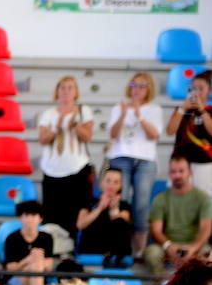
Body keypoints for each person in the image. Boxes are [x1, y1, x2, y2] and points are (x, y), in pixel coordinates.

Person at [107, 72, 163, 252]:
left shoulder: (154, 109)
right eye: (134, 85)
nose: (137, 90)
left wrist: (139, 116)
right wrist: (124, 115)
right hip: (120, 157)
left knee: (141, 205)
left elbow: (154, 135)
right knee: (119, 202)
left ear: (149, 90)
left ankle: (138, 251)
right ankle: (119, 246)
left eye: (142, 86)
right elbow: (113, 135)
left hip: (145, 161)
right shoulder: (119, 107)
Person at [38, 76, 96, 237]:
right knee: (51, 211)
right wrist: (56, 128)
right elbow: (43, 139)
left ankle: (71, 247)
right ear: (57, 91)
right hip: (52, 170)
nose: (66, 91)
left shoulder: (84, 111)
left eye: (70, 88)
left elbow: (87, 136)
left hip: (77, 168)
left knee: (75, 210)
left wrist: (75, 125)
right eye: (62, 87)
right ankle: (52, 246)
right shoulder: (48, 114)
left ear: (76, 92)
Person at [143, 152, 212, 278]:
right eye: (173, 171)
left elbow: (206, 228)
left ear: (190, 172)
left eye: (181, 171)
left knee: (208, 255)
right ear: (169, 174)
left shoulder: (203, 198)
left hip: (195, 245)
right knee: (152, 253)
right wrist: (168, 246)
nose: (177, 175)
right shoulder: (161, 198)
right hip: (169, 245)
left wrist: (193, 248)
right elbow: (156, 230)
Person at [165, 69, 211, 195]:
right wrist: (182, 110)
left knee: (204, 200)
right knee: (177, 200)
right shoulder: (180, 110)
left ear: (209, 91)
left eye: (201, 88)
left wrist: (202, 111)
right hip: (179, 163)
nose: (197, 92)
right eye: (193, 88)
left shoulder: (210, 111)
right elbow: (170, 131)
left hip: (204, 163)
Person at [3, 201, 56, 285]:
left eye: (33, 215)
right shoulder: (12, 238)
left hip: (40, 282)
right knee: (33, 264)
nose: (30, 219)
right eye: (26, 215)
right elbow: (9, 268)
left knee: (36, 264)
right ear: (20, 218)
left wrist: (37, 261)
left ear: (40, 219)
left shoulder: (46, 238)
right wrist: (27, 260)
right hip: (17, 282)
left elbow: (50, 265)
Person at [77, 167, 136, 264]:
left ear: (120, 186)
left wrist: (114, 209)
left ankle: (114, 258)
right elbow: (80, 225)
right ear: (101, 183)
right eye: (108, 180)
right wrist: (100, 208)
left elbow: (122, 224)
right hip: (91, 248)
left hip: (115, 252)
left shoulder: (125, 205)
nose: (111, 185)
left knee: (120, 222)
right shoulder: (88, 202)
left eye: (116, 182)